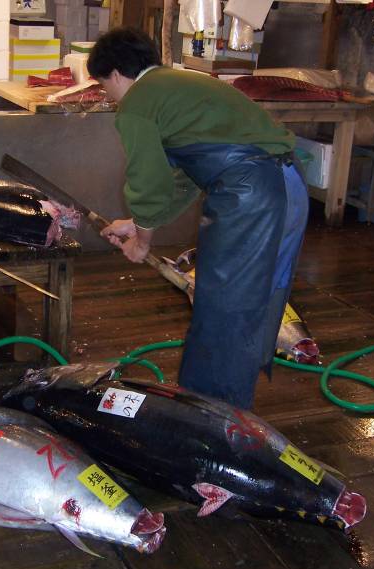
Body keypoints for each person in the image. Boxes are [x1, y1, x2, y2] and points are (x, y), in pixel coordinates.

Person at [87, 27, 309, 410]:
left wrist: (142, 242)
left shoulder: (138, 103)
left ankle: (213, 420)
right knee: (252, 298)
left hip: (252, 195)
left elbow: (147, 181)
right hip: (285, 188)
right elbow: (187, 176)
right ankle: (227, 403)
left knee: (224, 307)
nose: (108, 94)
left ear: (118, 74)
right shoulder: (179, 84)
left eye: (104, 84)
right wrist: (134, 223)